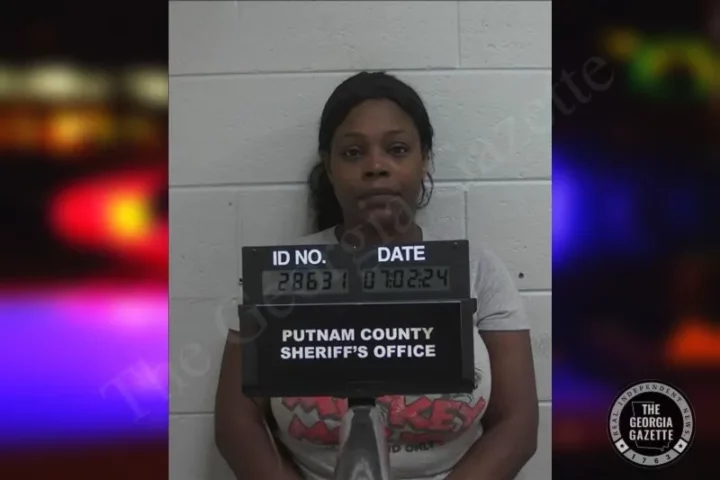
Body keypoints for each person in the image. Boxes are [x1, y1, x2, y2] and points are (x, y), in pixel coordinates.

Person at [215, 71, 539, 480]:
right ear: (329, 166)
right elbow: (237, 424)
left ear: (425, 159)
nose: (376, 166)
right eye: (353, 153)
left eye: (397, 149)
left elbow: (517, 425)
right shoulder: (280, 273)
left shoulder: (478, 270)